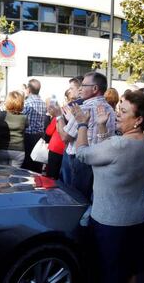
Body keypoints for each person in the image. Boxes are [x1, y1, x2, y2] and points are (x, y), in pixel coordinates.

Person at [72, 90, 144, 282]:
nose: (117, 113)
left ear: (138, 120)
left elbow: (83, 154)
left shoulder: (119, 145)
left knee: (108, 274)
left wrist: (83, 124)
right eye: (119, 108)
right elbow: (109, 157)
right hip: (136, 218)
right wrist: (102, 126)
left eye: (124, 111)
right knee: (130, 271)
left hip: (111, 222)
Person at [53, 72, 116, 201]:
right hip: (100, 160)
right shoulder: (110, 108)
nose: (80, 88)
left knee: (74, 199)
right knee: (90, 198)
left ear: (95, 89)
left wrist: (58, 116)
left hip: (78, 160)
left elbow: (65, 137)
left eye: (84, 85)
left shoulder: (84, 108)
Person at [0, 91, 27, 167]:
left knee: (1, 175)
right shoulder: (24, 117)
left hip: (1, 149)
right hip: (18, 150)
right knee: (14, 176)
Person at [21, 79, 46, 173]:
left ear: (29, 89)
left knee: (27, 164)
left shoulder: (27, 103)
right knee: (37, 163)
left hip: (28, 136)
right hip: (40, 136)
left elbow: (21, 117)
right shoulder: (43, 103)